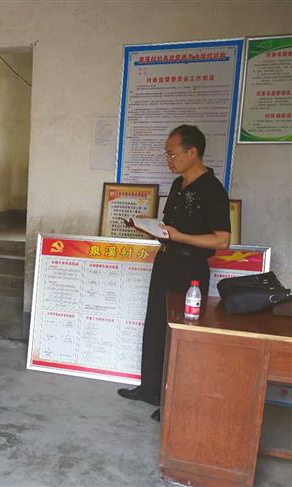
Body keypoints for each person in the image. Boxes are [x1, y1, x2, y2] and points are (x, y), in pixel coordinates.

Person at [117, 125, 231, 421]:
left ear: (192, 152)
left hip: (190, 269)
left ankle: (174, 399)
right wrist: (148, 227)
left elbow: (222, 239)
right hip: (165, 262)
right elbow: (170, 230)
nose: (168, 159)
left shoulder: (212, 189)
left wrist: (180, 237)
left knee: (180, 333)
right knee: (155, 324)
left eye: (172, 154)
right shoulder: (178, 185)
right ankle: (150, 389)